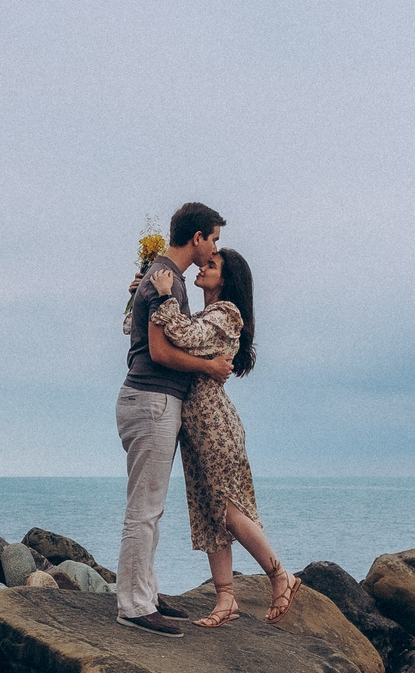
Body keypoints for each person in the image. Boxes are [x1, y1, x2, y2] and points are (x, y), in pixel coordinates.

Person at [153, 247, 300, 627]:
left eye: (211, 265)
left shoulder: (227, 313)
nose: (202, 267)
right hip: (195, 426)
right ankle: (226, 599)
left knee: (228, 510)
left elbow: (184, 336)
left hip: (214, 423)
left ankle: (279, 575)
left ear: (226, 279)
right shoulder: (206, 314)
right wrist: (144, 293)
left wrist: (165, 296)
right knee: (208, 512)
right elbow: (159, 330)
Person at [115, 202, 233, 635]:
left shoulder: (165, 277)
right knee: (144, 510)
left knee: (151, 508)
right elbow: (160, 351)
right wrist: (210, 367)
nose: (214, 248)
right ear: (197, 237)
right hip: (153, 401)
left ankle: (145, 592)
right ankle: (134, 606)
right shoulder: (166, 280)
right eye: (213, 239)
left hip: (152, 401)